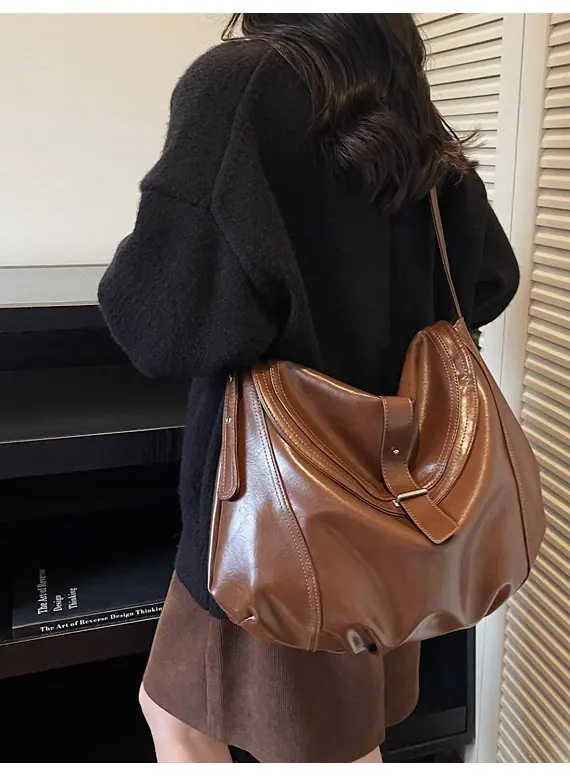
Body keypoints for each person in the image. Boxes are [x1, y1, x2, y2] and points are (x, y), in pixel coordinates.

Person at [98, 13, 519, 764]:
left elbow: (164, 326)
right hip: (400, 498)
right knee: (201, 716)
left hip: (278, 506)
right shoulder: (397, 94)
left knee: (303, 745)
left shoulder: (243, 82)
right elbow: (488, 278)